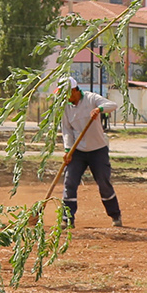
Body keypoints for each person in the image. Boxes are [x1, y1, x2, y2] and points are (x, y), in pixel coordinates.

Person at [55, 79, 123, 228]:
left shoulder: (92, 98)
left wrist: (99, 109)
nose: (63, 97)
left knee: (103, 183)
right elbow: (66, 130)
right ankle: (67, 219)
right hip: (77, 151)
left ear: (74, 91)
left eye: (65, 93)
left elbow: (112, 105)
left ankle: (115, 215)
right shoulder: (65, 108)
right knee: (69, 182)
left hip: (98, 150)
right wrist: (68, 150)